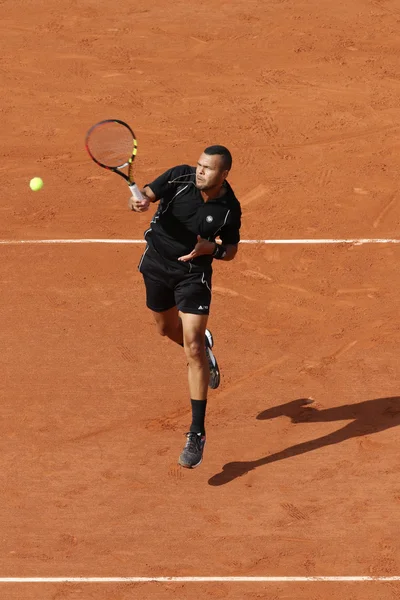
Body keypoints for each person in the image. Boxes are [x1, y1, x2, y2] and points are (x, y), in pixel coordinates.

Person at [129, 145, 242, 469]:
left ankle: (196, 433)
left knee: (191, 344)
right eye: (199, 165)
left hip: (193, 275)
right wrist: (138, 202)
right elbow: (147, 195)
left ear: (223, 174)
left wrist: (213, 249)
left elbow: (231, 249)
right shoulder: (179, 178)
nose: (200, 171)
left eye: (208, 168)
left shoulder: (228, 208)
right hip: (156, 264)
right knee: (166, 329)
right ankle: (205, 351)